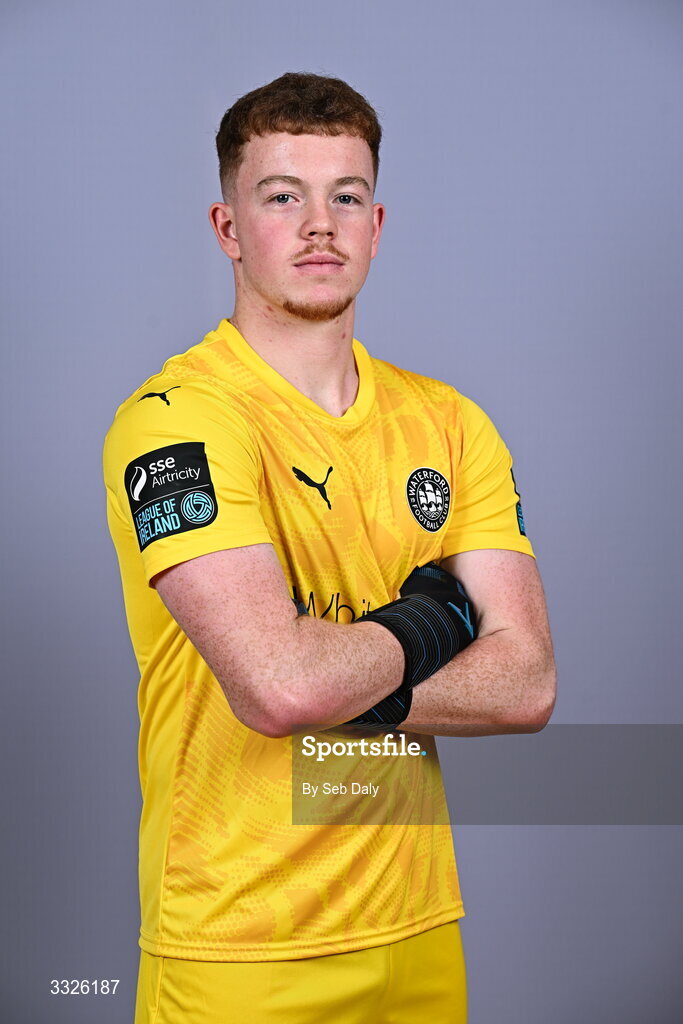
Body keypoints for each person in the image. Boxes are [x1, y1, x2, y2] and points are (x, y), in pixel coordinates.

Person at [103, 71, 556, 1024]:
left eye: (344, 196)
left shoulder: (450, 422)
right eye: (282, 196)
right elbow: (280, 689)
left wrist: (340, 662)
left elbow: (526, 684)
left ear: (376, 223)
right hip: (242, 947)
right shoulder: (175, 424)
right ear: (229, 227)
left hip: (420, 930)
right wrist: (438, 619)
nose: (320, 224)